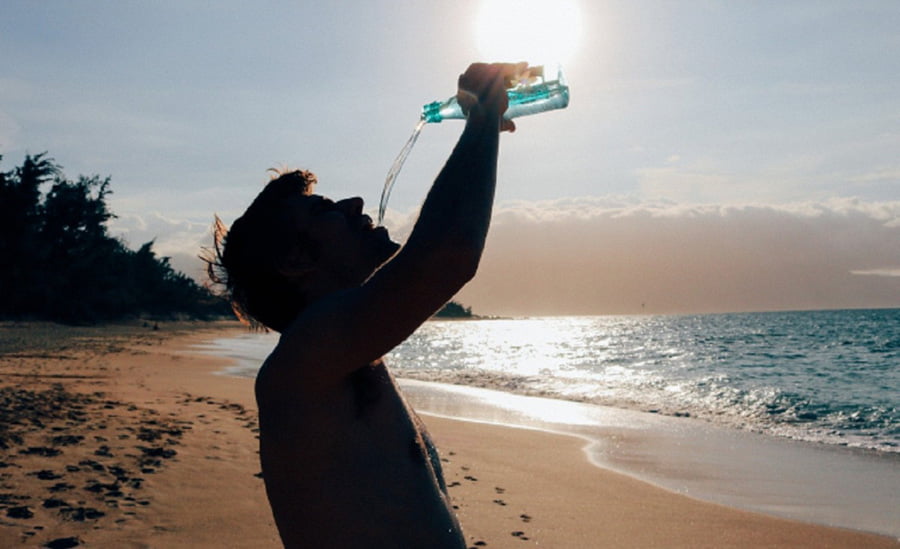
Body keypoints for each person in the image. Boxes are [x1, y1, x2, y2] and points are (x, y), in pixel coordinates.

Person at [208, 62, 523, 548]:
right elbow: (448, 255)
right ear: (294, 259)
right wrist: (480, 119)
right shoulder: (304, 360)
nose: (354, 203)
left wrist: (483, 126)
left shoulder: (344, 356)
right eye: (323, 209)